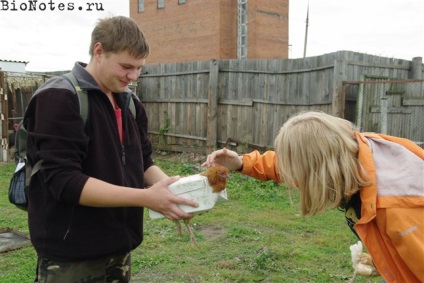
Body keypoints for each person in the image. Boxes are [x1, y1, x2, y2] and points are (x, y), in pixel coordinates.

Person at [24, 16, 198, 282]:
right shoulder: (59, 97)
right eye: (127, 66)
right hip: (70, 255)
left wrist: (175, 192)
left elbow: (144, 163)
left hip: (119, 248)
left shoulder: (130, 102)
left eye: (139, 68)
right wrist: (147, 198)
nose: (133, 76)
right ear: (99, 51)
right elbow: (65, 181)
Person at [202, 111, 424, 283]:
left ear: (317, 168)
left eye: (297, 166)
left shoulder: (398, 210)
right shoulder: (351, 150)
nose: (291, 174)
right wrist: (241, 163)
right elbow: (287, 164)